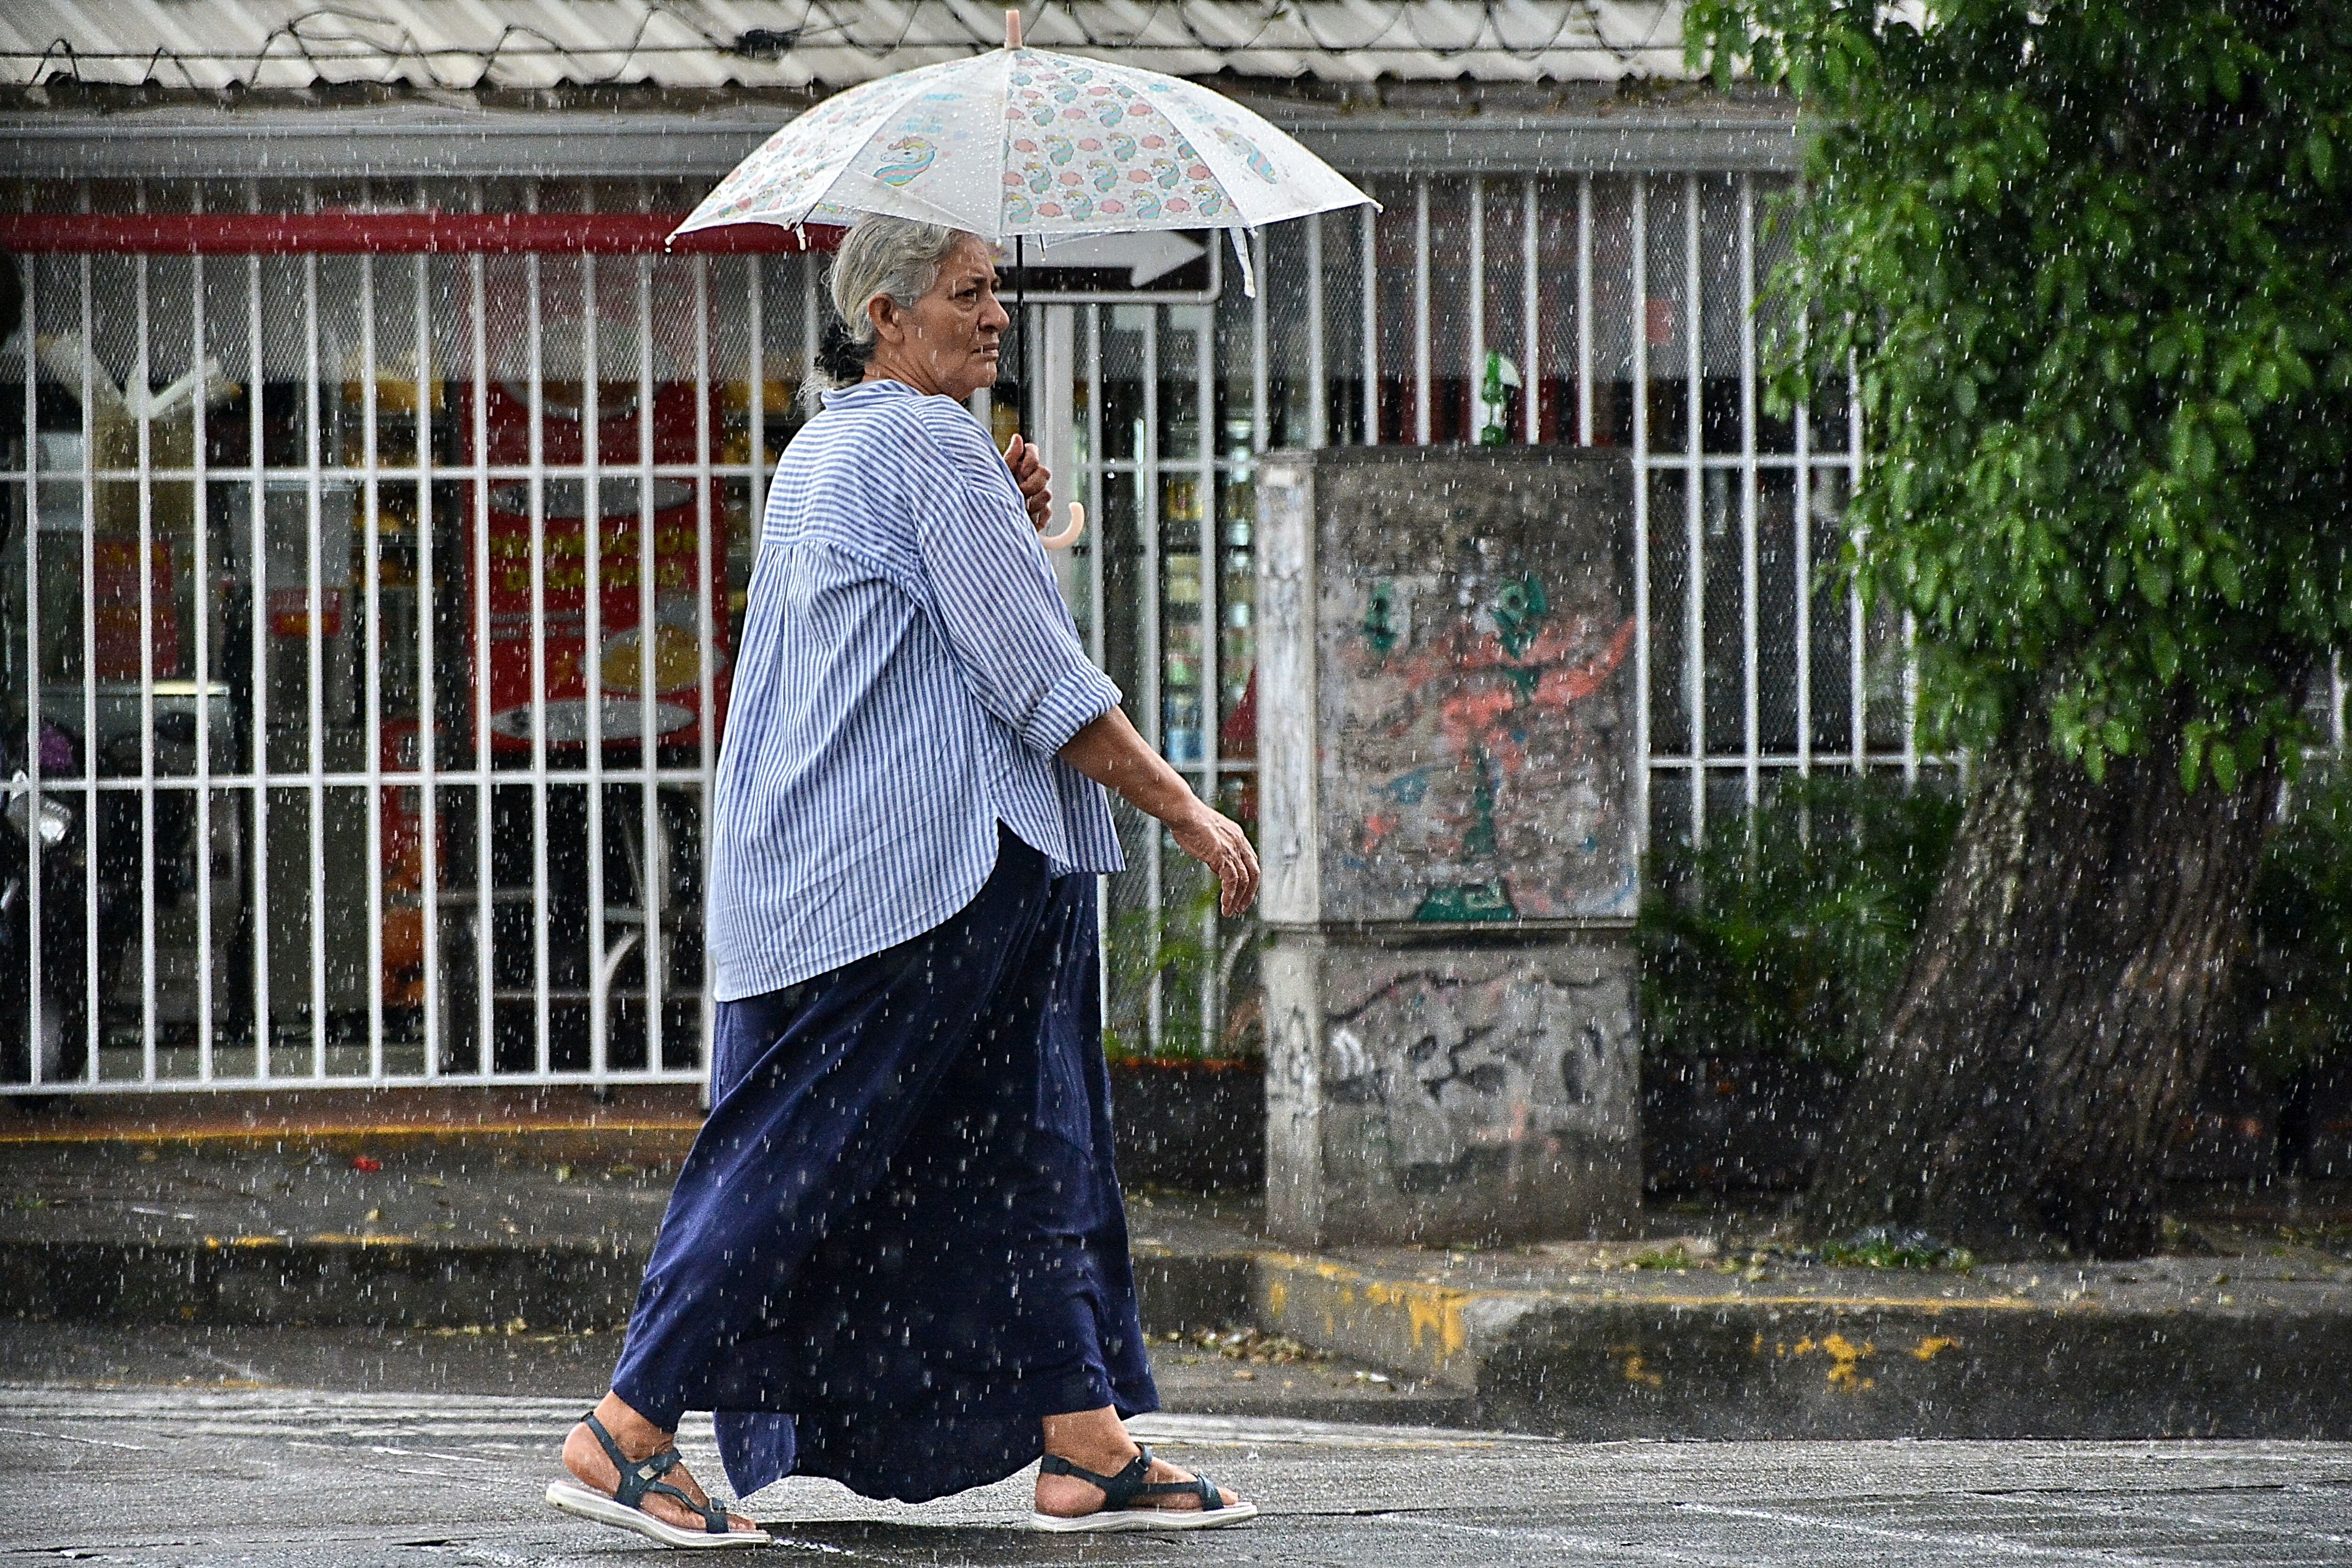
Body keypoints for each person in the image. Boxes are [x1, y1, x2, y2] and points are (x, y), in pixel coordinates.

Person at [544, 214, 1263, 1549]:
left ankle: (1084, 1441)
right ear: (887, 314)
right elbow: (1038, 681)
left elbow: (926, 638)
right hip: (927, 878)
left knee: (1027, 1148)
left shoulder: (826, 448)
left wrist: (1009, 520)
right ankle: (627, 1426)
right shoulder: (932, 447)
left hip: (873, 871)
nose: (996, 315)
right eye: (968, 293)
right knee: (807, 1150)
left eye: (997, 291)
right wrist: (1184, 808)